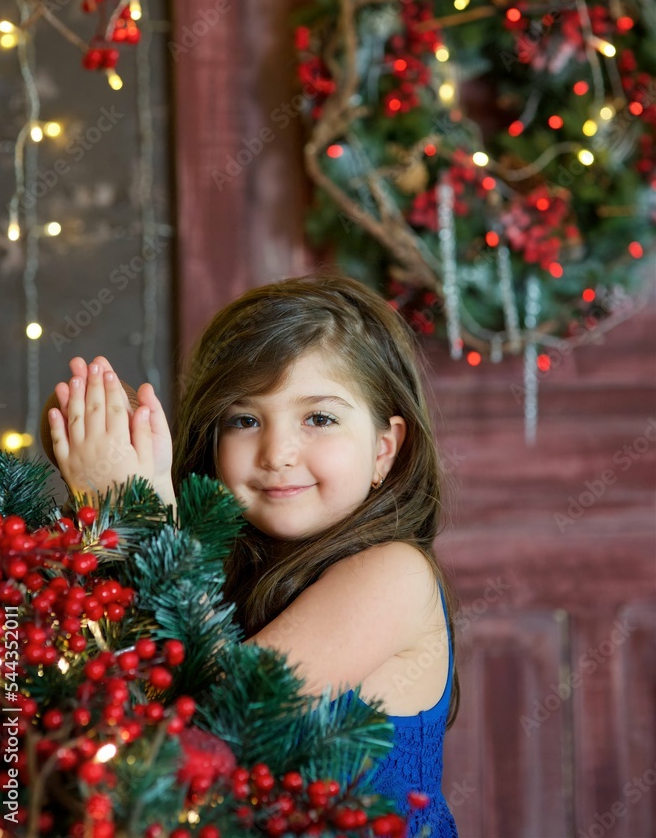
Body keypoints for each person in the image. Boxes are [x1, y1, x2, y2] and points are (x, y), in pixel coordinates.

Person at [47, 272, 460, 838]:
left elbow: (222, 720)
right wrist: (108, 463)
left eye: (319, 418)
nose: (277, 453)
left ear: (384, 450)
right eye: (244, 420)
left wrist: (142, 516)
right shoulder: (218, 565)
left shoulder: (394, 575)